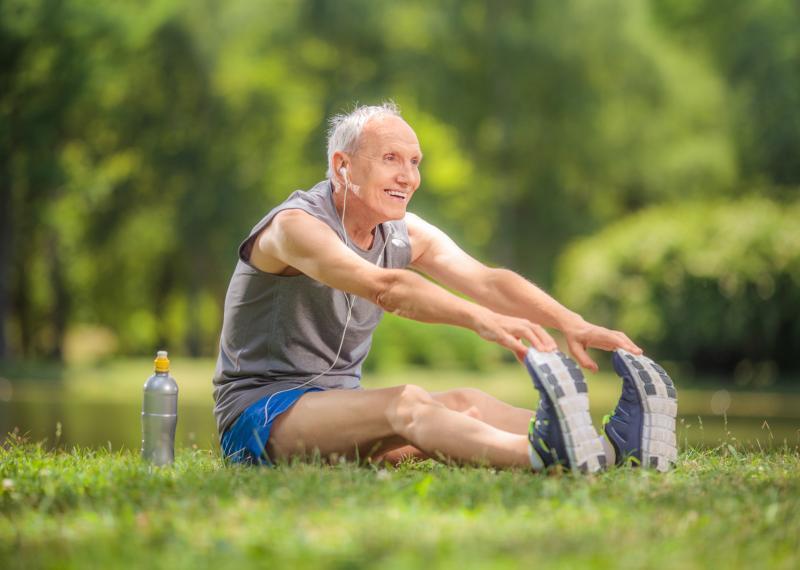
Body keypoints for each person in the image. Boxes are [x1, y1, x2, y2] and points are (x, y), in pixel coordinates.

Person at [212, 102, 678, 473]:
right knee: (405, 403)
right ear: (343, 165)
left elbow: (487, 280)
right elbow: (386, 287)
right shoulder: (295, 227)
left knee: (467, 404)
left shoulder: (399, 232)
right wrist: (482, 320)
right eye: (390, 159)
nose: (407, 176)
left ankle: (611, 450)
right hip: (261, 416)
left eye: (414, 162)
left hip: (340, 410)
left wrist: (571, 323)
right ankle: (547, 453)